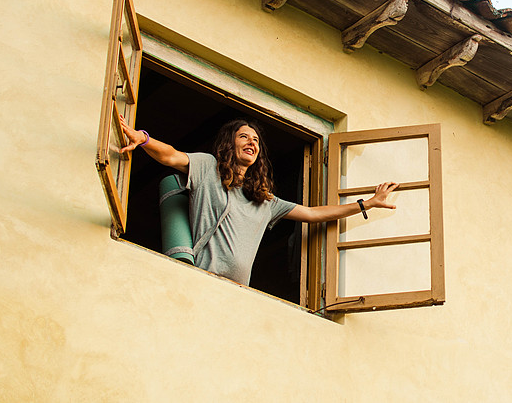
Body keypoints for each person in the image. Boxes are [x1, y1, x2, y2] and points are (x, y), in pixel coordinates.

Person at [119, 116, 398, 286]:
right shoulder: (207, 168)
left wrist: (368, 204)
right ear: (230, 143)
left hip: (238, 291)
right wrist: (142, 138)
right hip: (200, 279)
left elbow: (314, 214)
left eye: (255, 140)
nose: (251, 142)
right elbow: (170, 155)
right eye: (244, 137)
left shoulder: (265, 201)